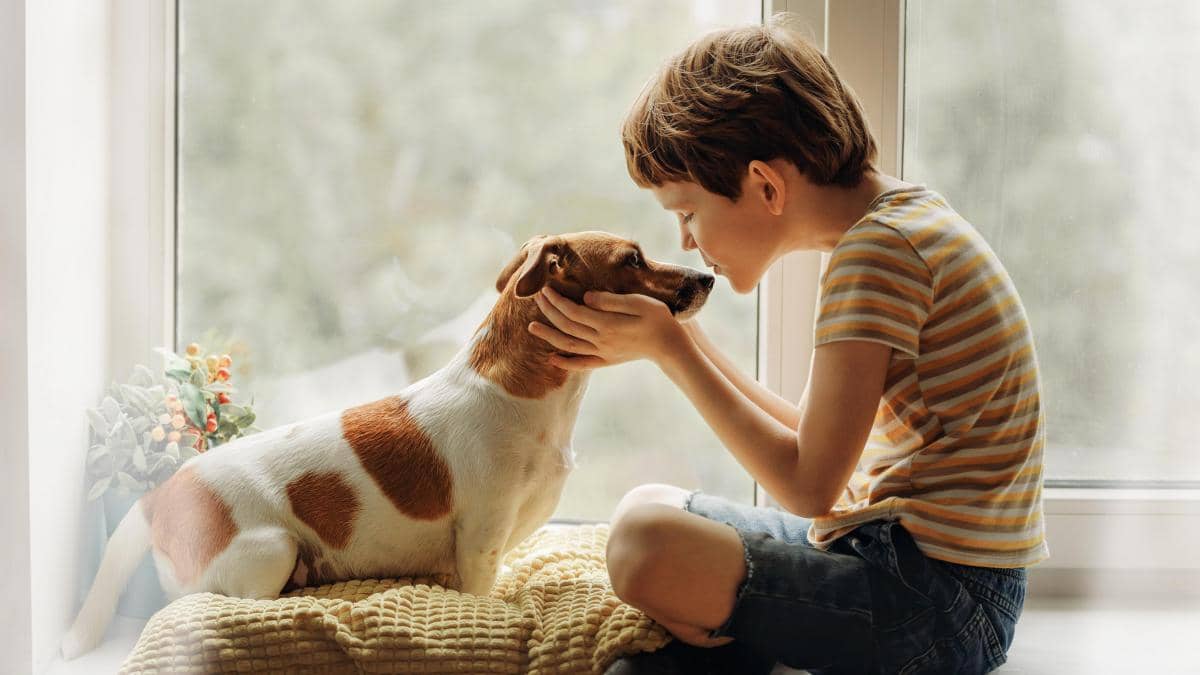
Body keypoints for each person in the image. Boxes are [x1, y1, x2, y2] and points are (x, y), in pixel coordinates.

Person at [527, 13, 1048, 675]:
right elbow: (813, 440)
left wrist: (675, 351)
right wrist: (676, 338)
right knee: (646, 507)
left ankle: (741, 638)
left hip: (939, 605)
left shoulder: (880, 256)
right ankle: (753, 634)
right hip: (898, 559)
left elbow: (808, 486)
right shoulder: (896, 226)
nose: (686, 241)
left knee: (643, 543)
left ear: (766, 185)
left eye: (686, 213)